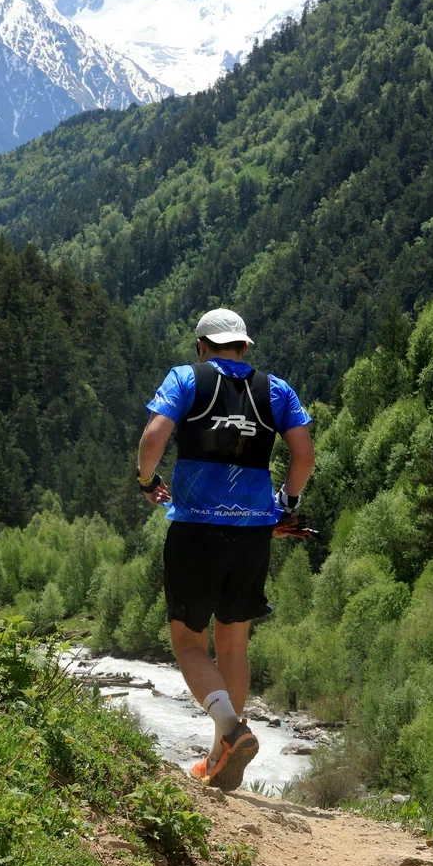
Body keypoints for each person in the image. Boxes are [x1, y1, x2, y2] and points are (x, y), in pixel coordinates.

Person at [137, 308, 315, 792]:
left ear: (201, 346)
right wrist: (287, 505)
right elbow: (304, 455)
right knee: (233, 644)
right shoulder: (276, 390)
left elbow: (154, 437)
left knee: (189, 643)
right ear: (244, 347)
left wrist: (147, 480)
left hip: (195, 530)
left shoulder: (185, 379)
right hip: (253, 536)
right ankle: (219, 758)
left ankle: (232, 732)